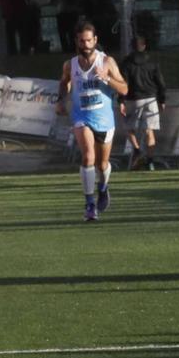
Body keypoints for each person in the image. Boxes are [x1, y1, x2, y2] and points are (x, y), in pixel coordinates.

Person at [56, 22, 127, 222]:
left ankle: (103, 188)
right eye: (81, 41)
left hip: (104, 119)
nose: (86, 44)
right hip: (81, 117)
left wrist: (107, 79)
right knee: (88, 157)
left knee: (102, 164)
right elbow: (64, 82)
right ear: (76, 42)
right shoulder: (70, 64)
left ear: (95, 40)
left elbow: (124, 89)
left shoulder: (107, 62)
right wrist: (61, 100)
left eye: (89, 40)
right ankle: (89, 204)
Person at [119, 33, 168, 170]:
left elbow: (124, 83)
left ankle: (137, 149)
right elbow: (160, 83)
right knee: (149, 130)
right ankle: (150, 160)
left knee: (128, 127)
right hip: (151, 99)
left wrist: (121, 100)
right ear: (144, 46)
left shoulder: (126, 62)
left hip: (133, 99)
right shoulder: (152, 62)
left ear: (131, 47)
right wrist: (162, 99)